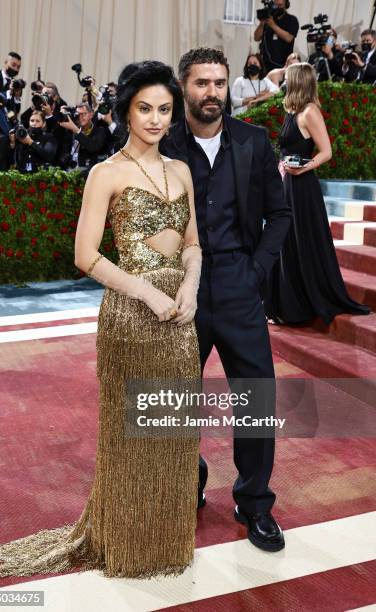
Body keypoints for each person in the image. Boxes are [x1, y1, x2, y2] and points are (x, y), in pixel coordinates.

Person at [0, 60, 202, 579]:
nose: (155, 119)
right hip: (132, 316)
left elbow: (194, 244)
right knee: (130, 436)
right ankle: (127, 547)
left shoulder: (183, 169)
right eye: (145, 109)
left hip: (182, 318)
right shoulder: (106, 173)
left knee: (174, 434)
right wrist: (149, 293)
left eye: (165, 110)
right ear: (126, 111)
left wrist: (190, 289)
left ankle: (167, 543)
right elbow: (86, 256)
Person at [161, 47, 291, 552]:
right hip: (180, 291)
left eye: (219, 82)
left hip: (239, 284)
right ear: (183, 87)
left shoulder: (255, 142)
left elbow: (279, 215)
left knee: (257, 397)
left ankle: (255, 503)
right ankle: (184, 481)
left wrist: (256, 271)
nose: (211, 92)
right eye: (201, 83)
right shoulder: (165, 145)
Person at [264, 63, 370, 325]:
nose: (284, 81)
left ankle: (302, 303)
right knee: (285, 241)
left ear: (298, 81)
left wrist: (305, 166)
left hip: (302, 187)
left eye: (290, 78)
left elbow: (326, 152)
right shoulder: (292, 110)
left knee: (302, 240)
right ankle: (285, 302)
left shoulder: (310, 112)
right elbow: (273, 76)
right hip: (287, 183)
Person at [254, 0, 299, 73]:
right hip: (264, 66)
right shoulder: (269, 18)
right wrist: (262, 23)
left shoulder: (291, 19)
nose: (277, 2)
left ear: (286, 3)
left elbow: (288, 38)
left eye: (280, 2)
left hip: (282, 66)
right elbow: (256, 37)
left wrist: (273, 25)